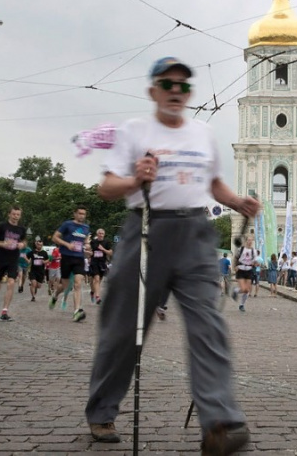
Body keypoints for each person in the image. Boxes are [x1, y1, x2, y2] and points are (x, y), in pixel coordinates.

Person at [84, 57, 257, 452]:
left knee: (208, 328)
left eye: (183, 86)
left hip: (195, 234)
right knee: (122, 331)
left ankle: (219, 424)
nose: (176, 92)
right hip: (146, 232)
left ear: (189, 93)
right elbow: (107, 187)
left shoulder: (203, 133)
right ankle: (101, 409)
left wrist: (237, 202)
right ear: (153, 91)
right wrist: (136, 178)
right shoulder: (135, 131)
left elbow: (212, 183)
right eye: (168, 84)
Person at [49, 206, 91, 323]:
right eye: (80, 213)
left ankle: (77, 311)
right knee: (65, 286)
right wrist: (67, 244)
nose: (82, 216)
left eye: (84, 214)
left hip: (79, 258)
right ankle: (55, 295)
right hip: (67, 257)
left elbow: (86, 241)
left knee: (78, 284)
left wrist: (87, 245)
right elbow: (55, 237)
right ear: (75, 214)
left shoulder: (86, 227)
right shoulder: (67, 224)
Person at [0, 205, 28, 321]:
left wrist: (22, 245)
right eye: (14, 214)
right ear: (9, 214)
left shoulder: (21, 229)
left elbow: (25, 241)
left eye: (18, 215)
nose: (16, 217)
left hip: (13, 259)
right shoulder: (1, 226)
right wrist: (2, 244)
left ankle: (4, 311)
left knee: (11, 283)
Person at [89, 229, 113, 305]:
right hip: (94, 262)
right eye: (99, 233)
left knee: (98, 281)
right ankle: (98, 297)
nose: (101, 234)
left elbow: (110, 253)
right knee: (96, 279)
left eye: (102, 233)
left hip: (102, 263)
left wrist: (103, 249)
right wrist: (89, 253)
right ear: (97, 234)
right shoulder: (93, 242)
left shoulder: (107, 242)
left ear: (104, 234)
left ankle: (92, 292)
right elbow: (90, 251)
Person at [232, 237, 256, 312]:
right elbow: (235, 258)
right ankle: (235, 291)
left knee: (247, 290)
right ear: (246, 241)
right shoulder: (241, 249)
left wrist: (255, 263)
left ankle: (241, 305)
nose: (250, 242)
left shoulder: (253, 251)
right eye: (248, 240)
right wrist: (234, 267)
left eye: (251, 240)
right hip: (241, 269)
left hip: (249, 270)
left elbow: (254, 261)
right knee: (243, 289)